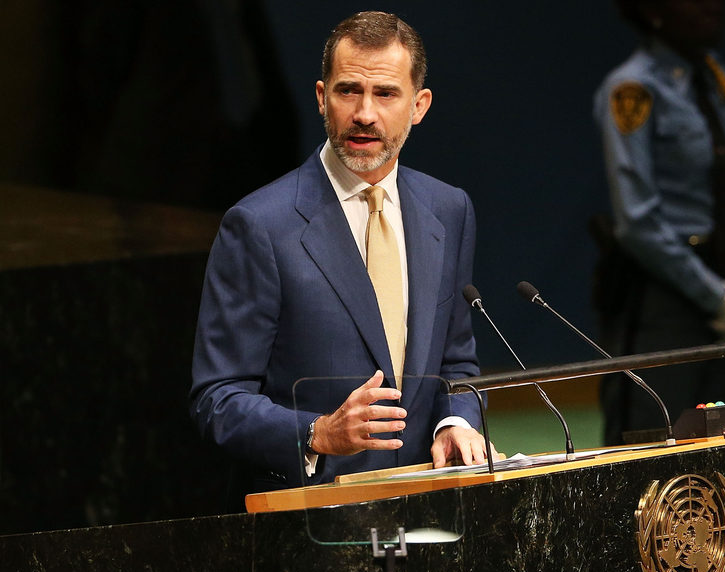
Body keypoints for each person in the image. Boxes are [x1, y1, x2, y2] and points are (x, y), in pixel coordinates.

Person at [190, 11, 496, 496]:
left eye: (386, 94)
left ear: (420, 105)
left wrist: (453, 423)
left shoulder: (449, 210)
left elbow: (456, 364)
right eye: (348, 90)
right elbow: (218, 399)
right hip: (312, 522)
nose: (364, 114)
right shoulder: (260, 225)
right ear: (320, 97)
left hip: (428, 512)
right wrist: (317, 433)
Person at [594, 0, 725, 443]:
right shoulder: (631, 89)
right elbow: (638, 221)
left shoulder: (714, 76)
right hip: (666, 296)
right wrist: (717, 297)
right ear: (655, 11)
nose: (712, 7)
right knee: (651, 438)